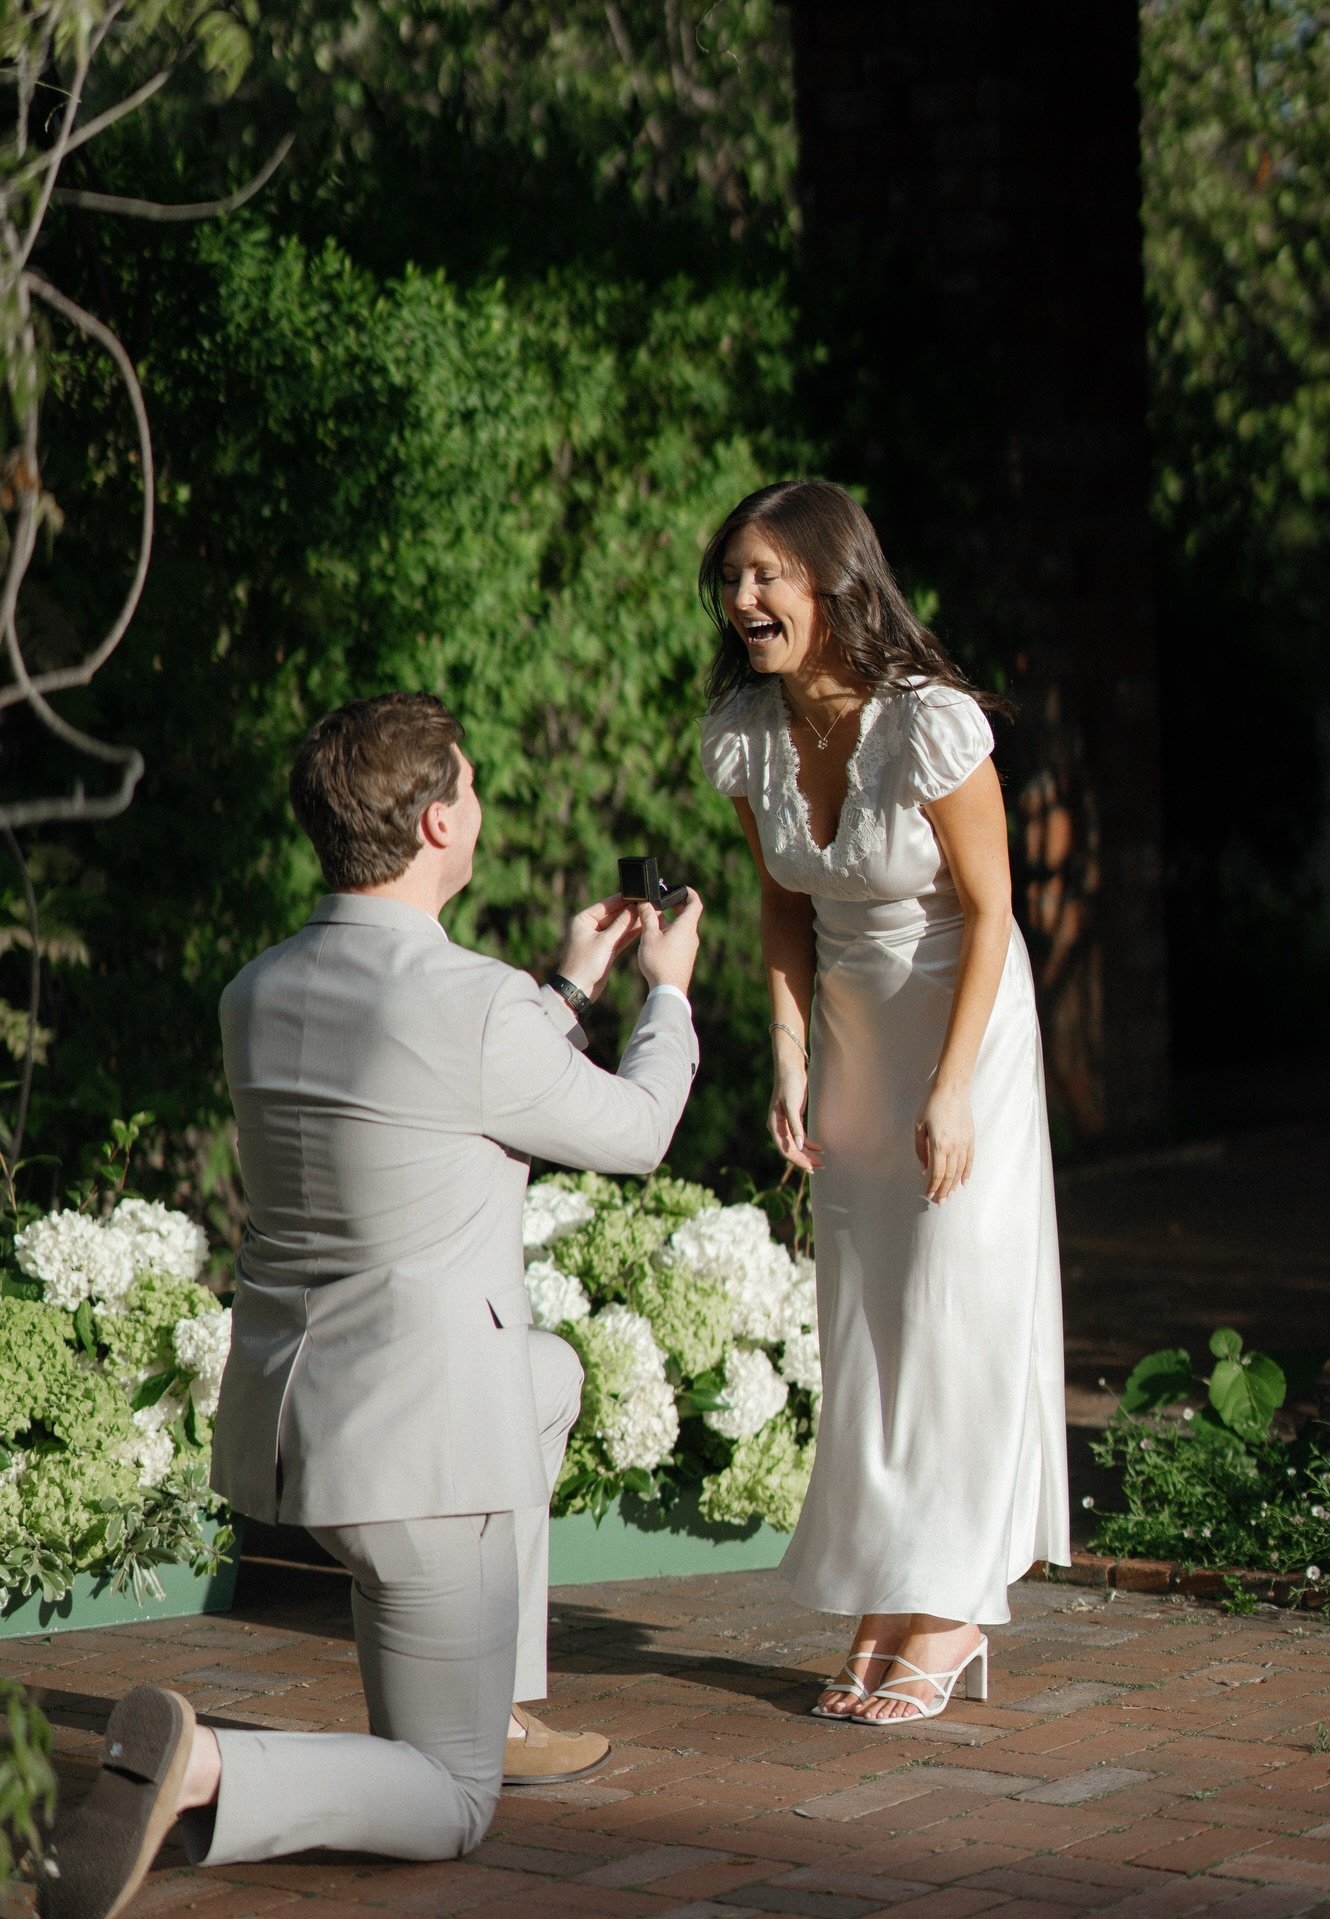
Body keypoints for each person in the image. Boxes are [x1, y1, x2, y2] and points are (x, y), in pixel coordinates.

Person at [41, 692, 702, 1919]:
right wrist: (666, 991)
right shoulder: (474, 1002)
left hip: (301, 1434)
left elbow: (423, 1089)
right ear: (442, 818)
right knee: (450, 1801)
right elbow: (639, 1130)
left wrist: (568, 983)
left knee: (549, 1371)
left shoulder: (262, 987)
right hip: (426, 1458)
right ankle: (206, 1767)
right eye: (473, 785)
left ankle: (489, 1693)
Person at [698, 482, 1068, 1725]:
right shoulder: (748, 731)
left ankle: (953, 1602)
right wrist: (790, 1057)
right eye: (734, 578)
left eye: (768, 576)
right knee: (868, 1316)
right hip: (853, 1025)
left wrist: (956, 1087)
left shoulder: (934, 724)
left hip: (962, 1015)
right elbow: (781, 904)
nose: (745, 600)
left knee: (953, 1298)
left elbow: (994, 907)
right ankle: (887, 1582)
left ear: (833, 582)